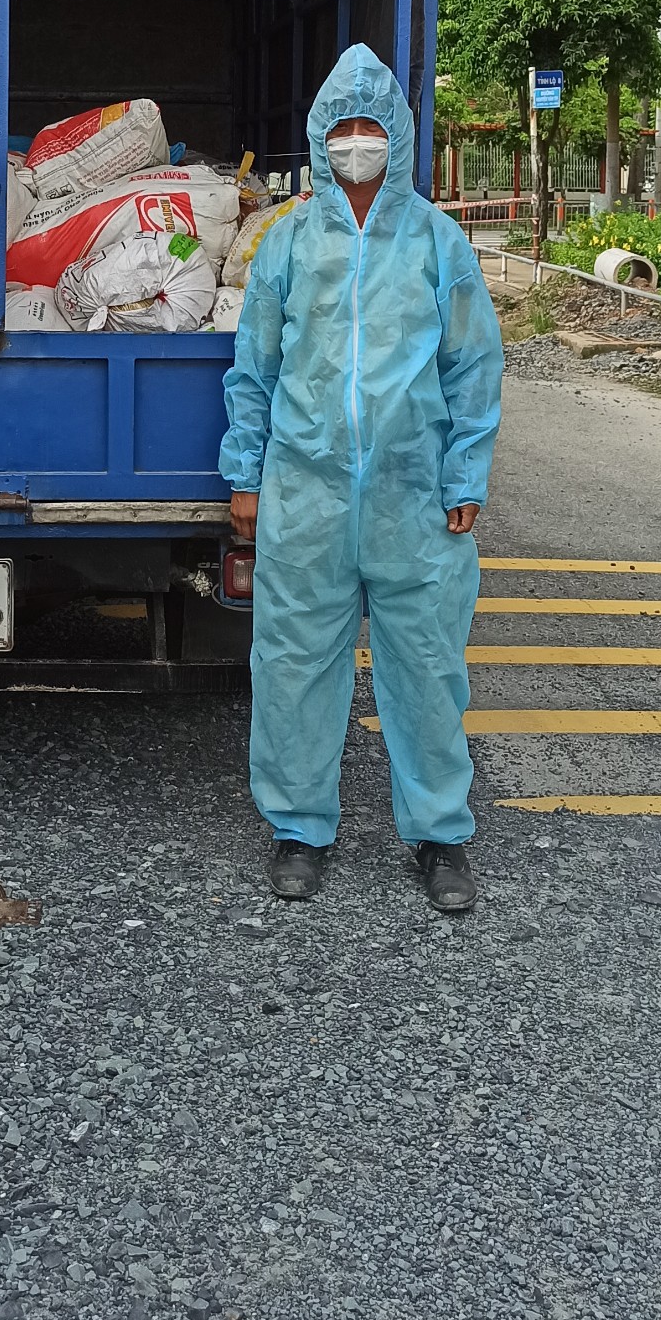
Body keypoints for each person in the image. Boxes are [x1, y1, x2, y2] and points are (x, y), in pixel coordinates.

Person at [219, 44, 503, 913]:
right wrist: (245, 473)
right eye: (340, 127)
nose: (354, 142)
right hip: (305, 491)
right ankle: (300, 829)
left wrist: (465, 473)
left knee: (428, 666)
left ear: (397, 137)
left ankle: (440, 835)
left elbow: (472, 366)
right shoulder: (289, 241)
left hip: (415, 497)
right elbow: (254, 368)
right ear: (319, 138)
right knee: (294, 663)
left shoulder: (437, 241)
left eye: (368, 126)